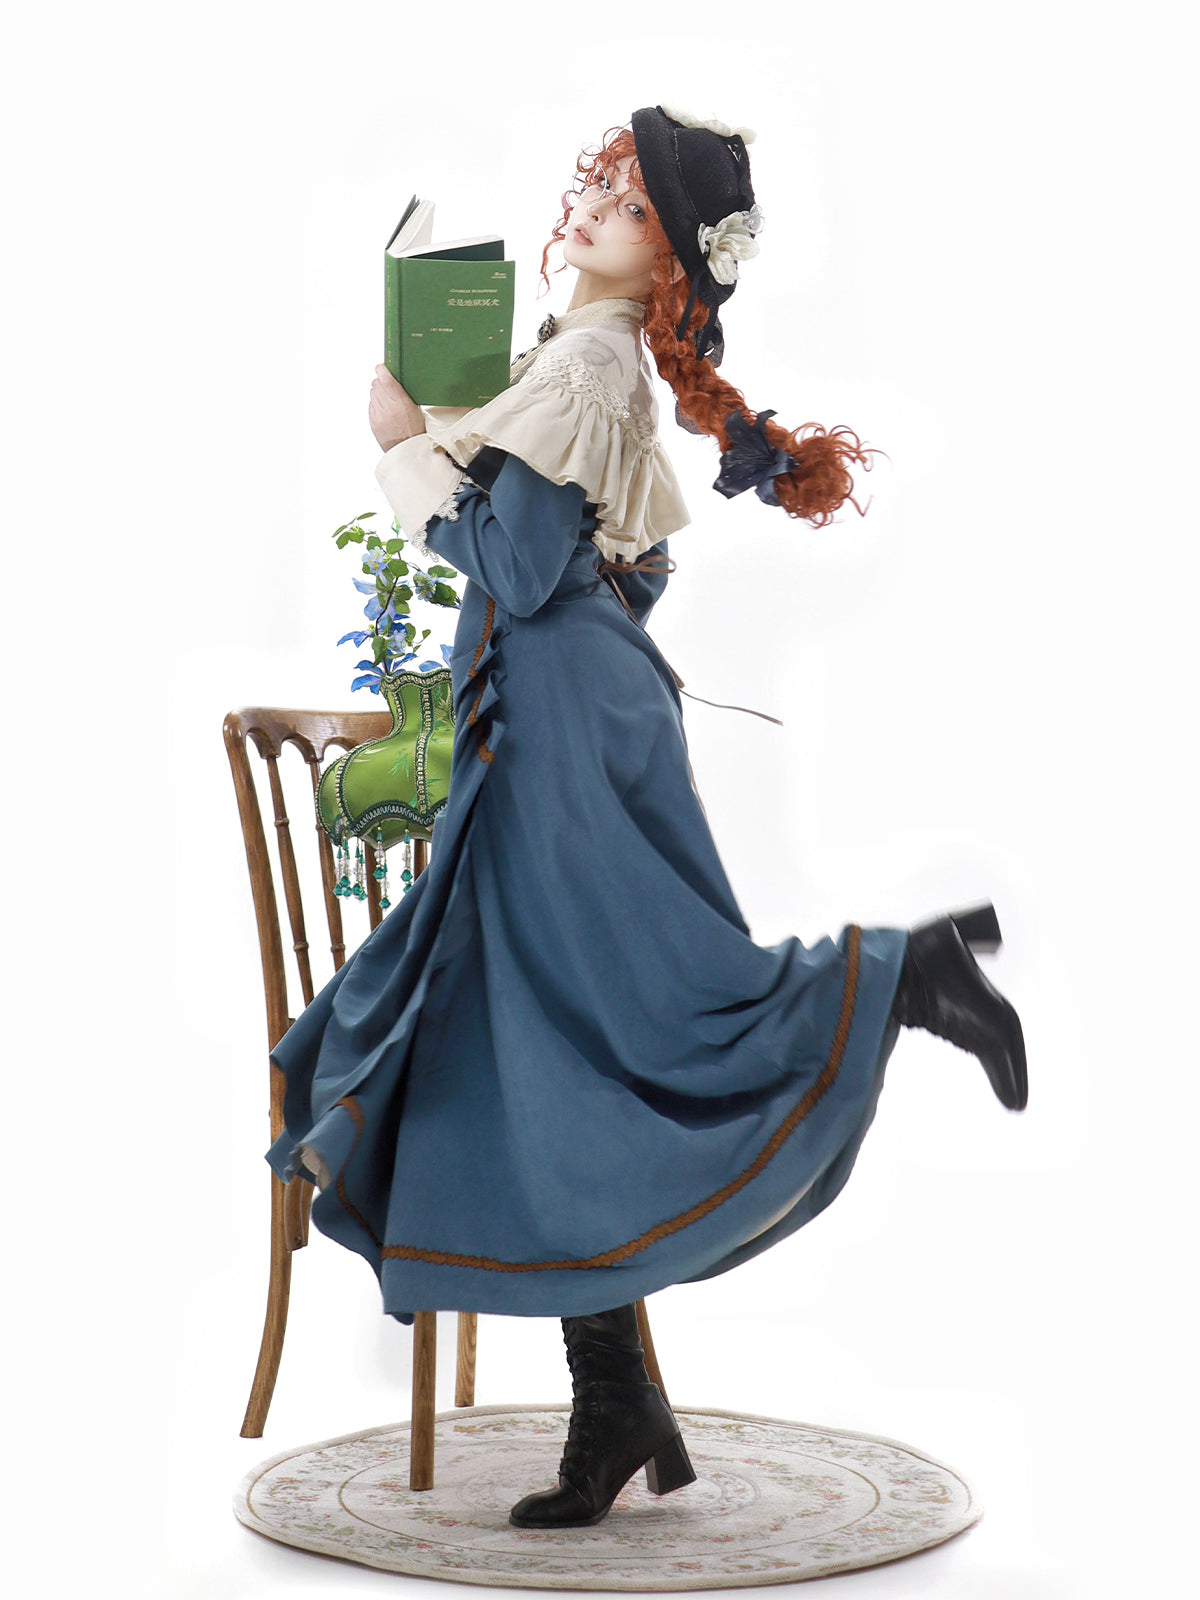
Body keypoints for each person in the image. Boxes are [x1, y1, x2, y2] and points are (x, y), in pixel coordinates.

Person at [266, 105, 1027, 1532]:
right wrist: (478, 458)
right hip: (568, 715)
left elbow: (516, 566)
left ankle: (901, 974)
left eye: (629, 203)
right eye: (604, 182)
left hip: (556, 726)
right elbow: (630, 566)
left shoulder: (588, 367)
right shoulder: (581, 363)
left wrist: (403, 448)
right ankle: (613, 1393)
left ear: (668, 265)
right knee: (550, 1033)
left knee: (635, 1012)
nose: (596, 203)